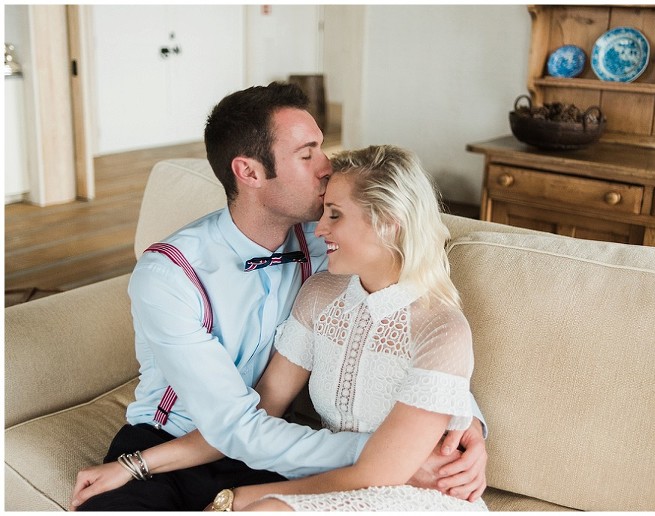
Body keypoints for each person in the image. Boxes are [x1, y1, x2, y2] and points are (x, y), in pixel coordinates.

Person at [70, 83, 487, 511]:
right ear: (249, 172)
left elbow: (412, 316)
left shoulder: (333, 244)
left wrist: (465, 423)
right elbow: (236, 426)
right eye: (306, 155)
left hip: (283, 446)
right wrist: (394, 456)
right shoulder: (170, 274)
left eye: (321, 149)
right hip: (174, 441)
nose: (327, 167)